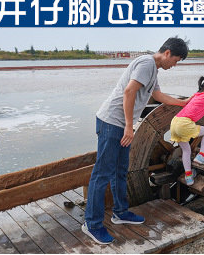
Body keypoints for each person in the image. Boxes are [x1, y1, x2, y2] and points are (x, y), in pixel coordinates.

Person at [82, 37, 191, 245]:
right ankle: (92, 224)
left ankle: (120, 212)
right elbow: (129, 91)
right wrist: (129, 126)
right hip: (112, 123)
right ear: (167, 53)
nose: (174, 65)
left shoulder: (153, 69)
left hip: (119, 124)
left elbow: (157, 95)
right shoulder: (146, 63)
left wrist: (182, 103)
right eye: (176, 60)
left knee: (120, 170)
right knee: (102, 174)